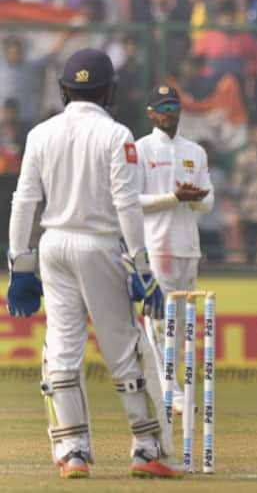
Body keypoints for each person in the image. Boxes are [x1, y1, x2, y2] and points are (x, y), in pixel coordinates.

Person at [6, 49, 182, 479]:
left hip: (53, 246)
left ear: (66, 90)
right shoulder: (116, 134)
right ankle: (146, 449)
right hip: (99, 245)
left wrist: (20, 266)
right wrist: (142, 268)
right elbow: (126, 204)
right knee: (125, 350)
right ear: (108, 91)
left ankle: (72, 452)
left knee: (62, 350)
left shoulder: (40, 133)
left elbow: (24, 200)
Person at [136, 85, 214, 413]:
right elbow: (132, 203)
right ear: (151, 113)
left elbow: (209, 202)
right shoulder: (140, 150)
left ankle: (171, 386)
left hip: (188, 248)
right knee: (157, 322)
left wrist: (194, 198)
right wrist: (173, 198)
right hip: (157, 248)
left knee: (181, 326)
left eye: (173, 106)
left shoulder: (194, 151)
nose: (169, 112)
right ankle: (169, 390)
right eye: (162, 107)